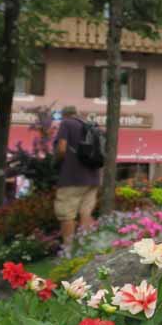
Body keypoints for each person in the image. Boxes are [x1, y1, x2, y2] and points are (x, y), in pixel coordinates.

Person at [53, 105, 100, 254]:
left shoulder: (66, 123)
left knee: (66, 214)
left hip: (72, 177)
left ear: (64, 115)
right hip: (92, 178)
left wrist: (56, 160)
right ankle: (85, 248)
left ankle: (68, 250)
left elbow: (62, 148)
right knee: (85, 212)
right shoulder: (89, 125)